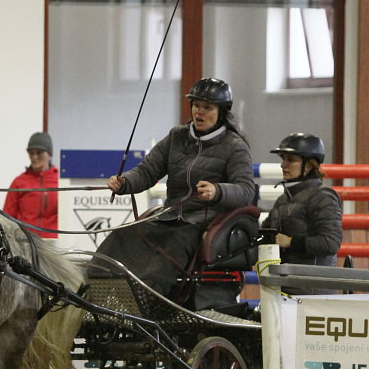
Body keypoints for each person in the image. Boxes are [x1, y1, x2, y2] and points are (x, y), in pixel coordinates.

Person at [96, 77, 256, 297]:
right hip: (169, 216)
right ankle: (94, 287)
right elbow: (147, 171)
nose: (199, 112)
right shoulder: (176, 137)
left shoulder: (234, 146)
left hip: (200, 222)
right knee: (125, 234)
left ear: (222, 111)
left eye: (207, 107)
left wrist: (218, 191)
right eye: (196, 105)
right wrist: (125, 183)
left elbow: (246, 190)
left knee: (169, 248)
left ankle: (148, 298)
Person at [261, 132, 343, 272]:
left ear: (308, 166)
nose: (283, 165)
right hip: (287, 282)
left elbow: (331, 243)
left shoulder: (322, 196)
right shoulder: (283, 199)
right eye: (283, 159)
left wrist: (291, 242)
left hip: (312, 287)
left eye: (291, 160)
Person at [2, 132, 58, 238]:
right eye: (31, 153)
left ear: (50, 154)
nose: (34, 157)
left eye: (39, 152)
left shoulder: (60, 182)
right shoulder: (18, 182)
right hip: (25, 243)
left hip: (54, 244)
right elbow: (7, 217)